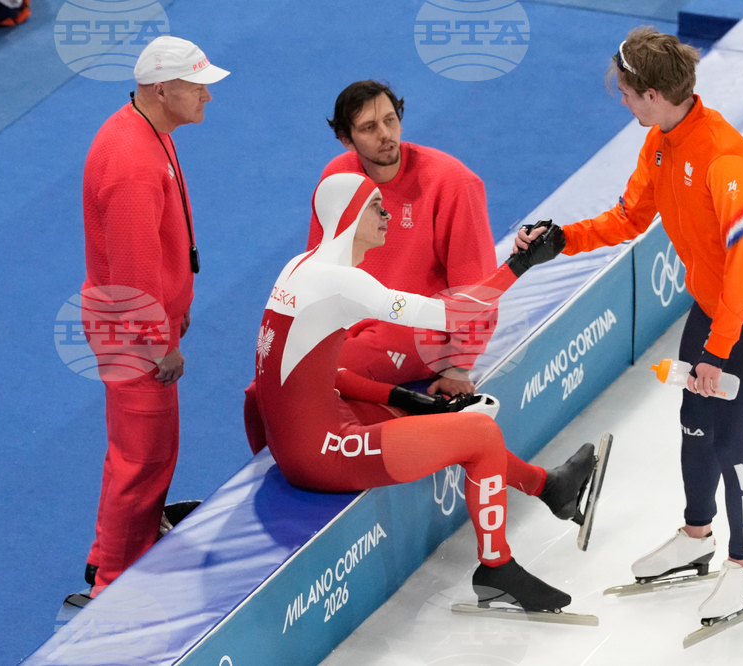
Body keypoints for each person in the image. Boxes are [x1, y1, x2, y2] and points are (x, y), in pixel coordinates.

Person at [514, 27, 743, 623]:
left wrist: (717, 353)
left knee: (731, 442)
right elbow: (628, 218)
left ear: (652, 93)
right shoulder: (660, 141)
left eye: (625, 92)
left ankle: (742, 569)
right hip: (715, 304)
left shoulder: (724, 160)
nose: (622, 101)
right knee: (695, 424)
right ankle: (696, 538)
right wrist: (563, 239)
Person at [251, 171, 593, 612]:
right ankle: (497, 568)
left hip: (301, 441)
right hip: (323, 452)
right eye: (376, 206)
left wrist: (404, 397)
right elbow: (454, 316)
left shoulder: (300, 268)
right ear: (349, 215)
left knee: (433, 421)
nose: (387, 214)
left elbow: (318, 372)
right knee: (480, 433)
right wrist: (520, 264)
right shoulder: (342, 282)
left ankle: (548, 486)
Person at [79, 36, 229, 595]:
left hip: (138, 324)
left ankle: (107, 554)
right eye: (198, 87)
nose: (208, 96)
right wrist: (159, 343)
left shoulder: (149, 130)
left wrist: (176, 306)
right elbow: (134, 274)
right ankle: (113, 587)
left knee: (135, 453)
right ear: (162, 89)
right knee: (144, 459)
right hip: (135, 336)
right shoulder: (133, 164)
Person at [306, 80, 497, 398]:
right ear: (346, 139)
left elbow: (478, 285)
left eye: (390, 120)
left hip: (418, 331)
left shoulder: (453, 182)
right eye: (369, 127)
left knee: (304, 377)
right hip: (355, 322)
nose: (385, 134)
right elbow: (319, 266)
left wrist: (459, 366)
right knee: (266, 379)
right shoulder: (338, 178)